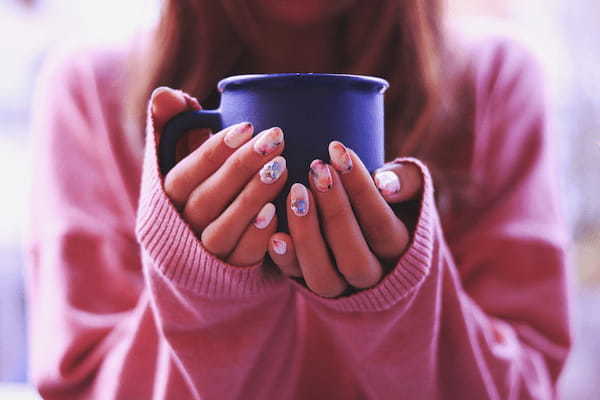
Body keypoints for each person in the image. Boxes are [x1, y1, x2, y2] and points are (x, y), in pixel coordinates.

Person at [25, 0, 571, 398]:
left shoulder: (494, 83)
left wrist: (401, 301)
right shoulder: (91, 93)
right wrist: (201, 295)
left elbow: (528, 388)